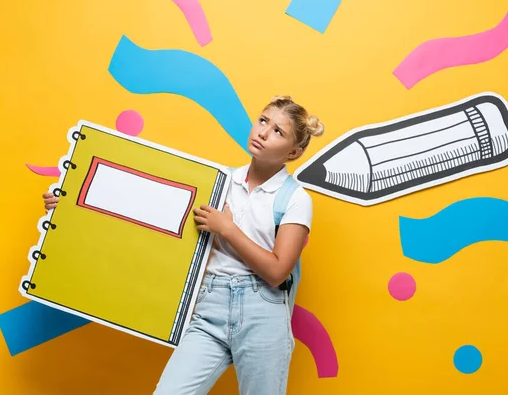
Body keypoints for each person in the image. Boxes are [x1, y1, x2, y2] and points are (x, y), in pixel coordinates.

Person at [42, 95, 324, 394]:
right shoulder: (218, 180)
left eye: (278, 131)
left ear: (294, 152)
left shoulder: (295, 199)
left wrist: (228, 230)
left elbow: (278, 270)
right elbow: (149, 216)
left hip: (262, 313)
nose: (263, 132)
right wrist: (71, 203)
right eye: (263, 121)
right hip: (209, 304)